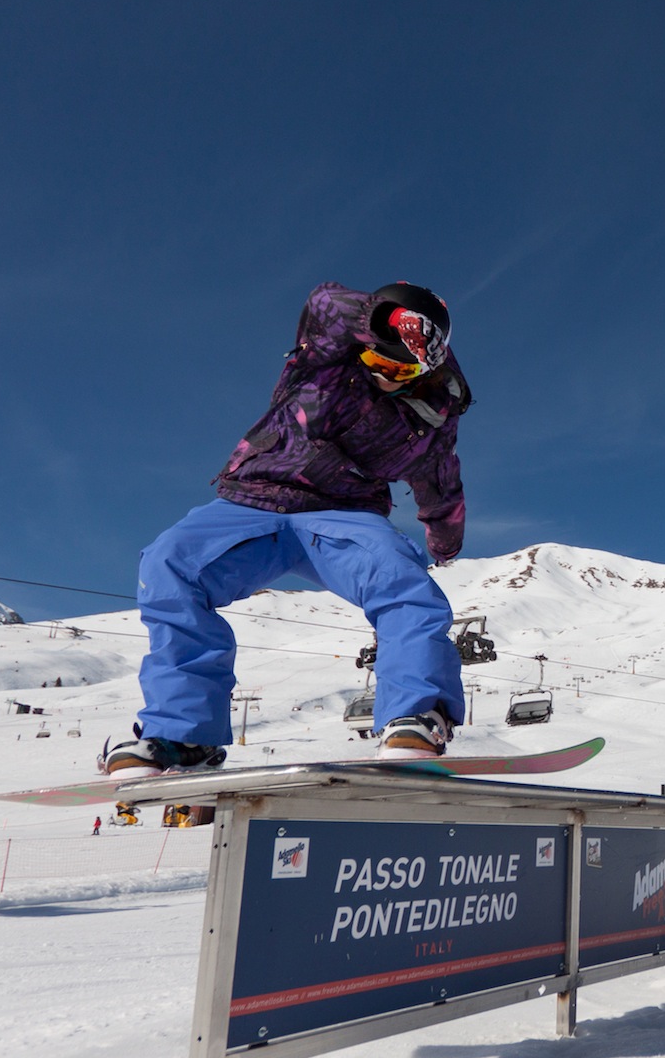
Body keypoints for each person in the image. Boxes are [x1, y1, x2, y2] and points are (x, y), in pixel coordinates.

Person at [104, 281, 471, 778]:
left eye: (398, 369)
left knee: (400, 577)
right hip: (254, 499)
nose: (383, 375)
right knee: (169, 563)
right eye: (375, 362)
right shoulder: (329, 354)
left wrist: (445, 540)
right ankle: (183, 734)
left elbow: (439, 477)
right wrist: (384, 316)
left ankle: (416, 714)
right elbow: (324, 304)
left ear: (427, 364)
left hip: (343, 514)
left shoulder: (434, 412)